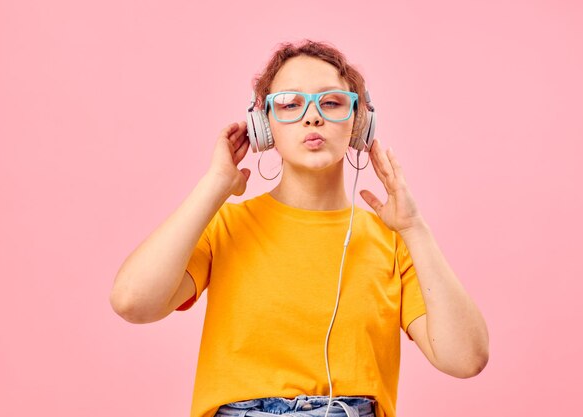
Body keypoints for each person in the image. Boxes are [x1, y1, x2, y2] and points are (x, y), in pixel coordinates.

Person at [110, 40, 489, 417]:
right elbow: (133, 302)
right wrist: (214, 185)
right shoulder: (226, 226)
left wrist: (415, 229)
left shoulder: (394, 240)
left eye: (332, 102)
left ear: (360, 122)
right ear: (264, 126)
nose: (312, 117)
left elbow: (466, 359)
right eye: (290, 104)